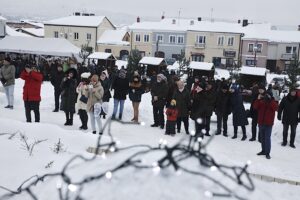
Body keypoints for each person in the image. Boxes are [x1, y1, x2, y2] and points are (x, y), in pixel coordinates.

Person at [254, 90, 278, 159]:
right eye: (266, 95)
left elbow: (276, 108)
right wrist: (258, 99)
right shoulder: (261, 101)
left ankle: (267, 153)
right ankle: (263, 150)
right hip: (261, 123)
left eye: (268, 95)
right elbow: (255, 107)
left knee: (267, 138)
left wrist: (270, 100)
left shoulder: (273, 102)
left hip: (268, 124)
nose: (266, 96)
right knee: (262, 138)